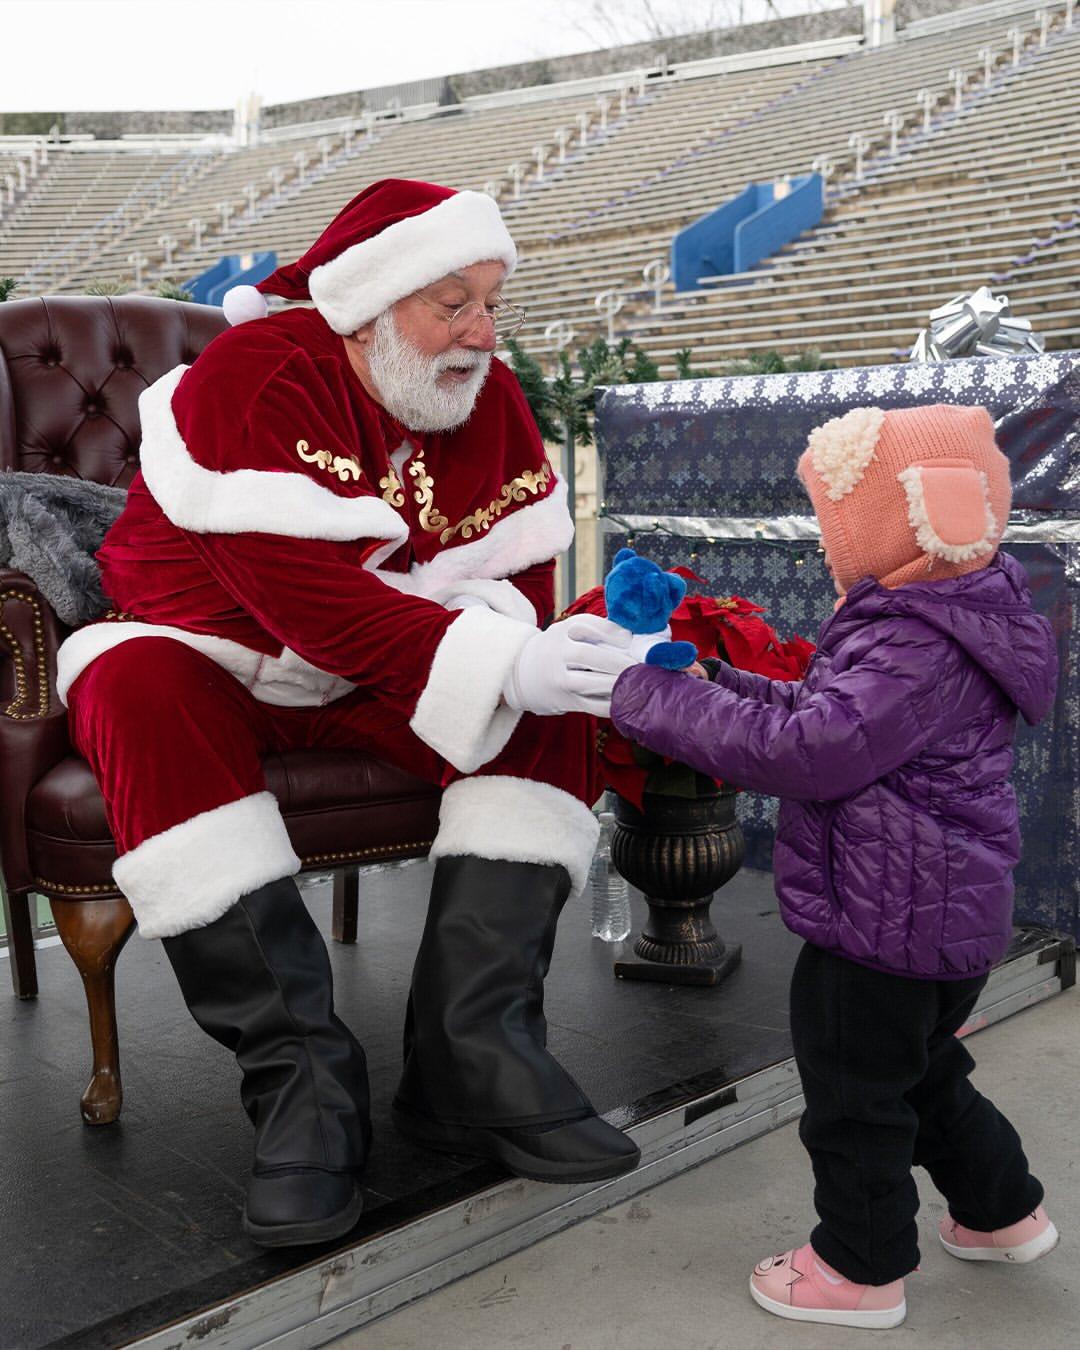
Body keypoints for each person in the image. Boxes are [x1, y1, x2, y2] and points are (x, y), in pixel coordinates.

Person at [57, 178, 642, 1249]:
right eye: (451, 302)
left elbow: (524, 581)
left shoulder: (491, 399)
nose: (480, 332)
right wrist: (500, 657)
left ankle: (476, 1052)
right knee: (131, 687)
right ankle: (303, 1083)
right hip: (208, 652)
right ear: (372, 305)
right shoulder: (255, 374)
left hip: (374, 669)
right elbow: (310, 603)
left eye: (492, 303)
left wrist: (540, 654)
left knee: (549, 704)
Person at [609, 403, 1059, 1330]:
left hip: (883, 924)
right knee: (924, 1075)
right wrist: (715, 684)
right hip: (936, 914)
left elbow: (815, 747)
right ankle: (1003, 1213)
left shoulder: (915, 637)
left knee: (855, 1098)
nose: (826, 546)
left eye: (837, 525)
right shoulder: (946, 611)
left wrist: (648, 701)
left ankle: (859, 1269)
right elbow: (829, 707)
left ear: (908, 524)